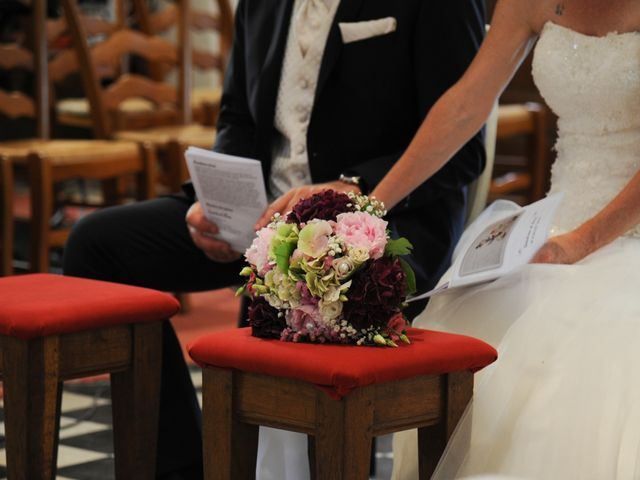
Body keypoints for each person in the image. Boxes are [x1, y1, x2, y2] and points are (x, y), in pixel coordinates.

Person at [62, 0, 486, 478]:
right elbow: (239, 118)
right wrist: (217, 202)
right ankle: (180, 465)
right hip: (266, 214)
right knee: (98, 245)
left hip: (384, 216)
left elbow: (464, 151)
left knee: (288, 298)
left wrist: (354, 187)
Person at [297, 0, 638, 477]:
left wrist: (583, 241)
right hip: (557, 225)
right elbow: (465, 105)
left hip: (623, 234)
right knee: (474, 346)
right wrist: (370, 205)